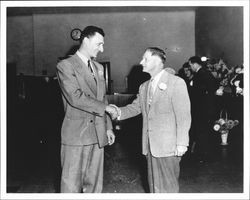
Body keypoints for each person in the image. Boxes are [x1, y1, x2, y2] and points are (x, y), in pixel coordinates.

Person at [106, 47, 191, 193]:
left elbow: (183, 116)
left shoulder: (176, 82)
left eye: (145, 59)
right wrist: (118, 112)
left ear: (158, 61)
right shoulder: (144, 87)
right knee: (153, 187)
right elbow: (135, 108)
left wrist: (182, 143)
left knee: (169, 188)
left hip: (168, 147)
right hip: (149, 146)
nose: (141, 62)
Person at [56, 25, 115, 193]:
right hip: (76, 135)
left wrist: (108, 127)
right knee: (71, 186)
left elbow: (101, 98)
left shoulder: (99, 68)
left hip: (98, 134)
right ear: (86, 40)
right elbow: (75, 97)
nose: (102, 49)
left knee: (95, 186)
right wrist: (107, 108)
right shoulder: (66, 66)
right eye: (99, 44)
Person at [188, 56, 217, 163]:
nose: (190, 67)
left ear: (195, 64)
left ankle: (203, 156)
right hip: (203, 108)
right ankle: (202, 155)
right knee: (202, 132)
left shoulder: (202, 74)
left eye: (190, 65)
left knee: (202, 132)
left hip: (202, 109)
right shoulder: (203, 73)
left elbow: (202, 91)